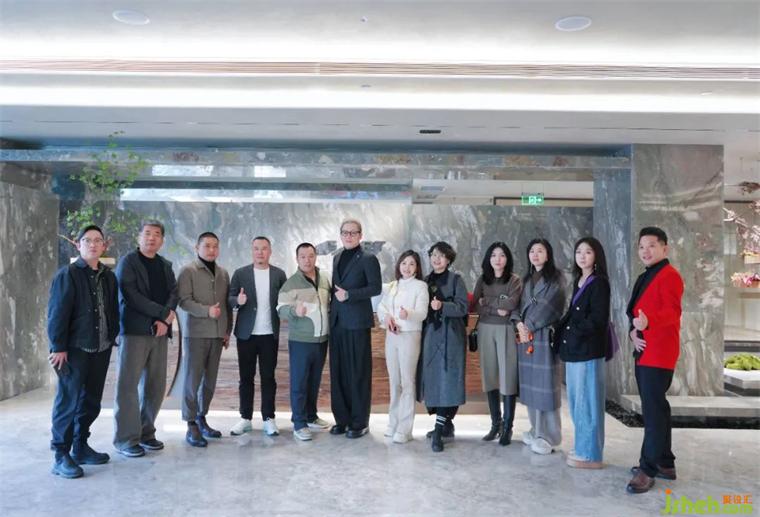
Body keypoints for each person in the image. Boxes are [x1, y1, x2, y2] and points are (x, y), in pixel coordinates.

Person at [47, 225, 120, 478]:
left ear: (104, 246)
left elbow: (113, 309)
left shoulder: (108, 277)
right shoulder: (67, 275)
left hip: (101, 347)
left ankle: (80, 446)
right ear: (78, 245)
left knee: (91, 401)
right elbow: (57, 313)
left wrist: (113, 335)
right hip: (74, 349)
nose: (93, 244)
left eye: (98, 240)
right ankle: (61, 455)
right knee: (68, 402)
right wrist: (58, 347)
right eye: (87, 240)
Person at [625, 227, 684, 494]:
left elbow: (672, 312)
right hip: (646, 350)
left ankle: (647, 470)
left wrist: (648, 322)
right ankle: (665, 463)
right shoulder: (647, 275)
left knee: (653, 412)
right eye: (641, 246)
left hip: (659, 353)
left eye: (651, 245)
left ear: (664, 248)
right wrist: (634, 331)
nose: (645, 251)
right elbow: (636, 313)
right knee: (658, 409)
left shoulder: (670, 275)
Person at [113, 220, 178, 458]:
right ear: (139, 237)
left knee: (155, 386)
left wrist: (164, 321)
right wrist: (162, 314)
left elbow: (174, 293)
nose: (151, 238)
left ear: (162, 240)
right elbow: (131, 295)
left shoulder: (165, 265)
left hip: (159, 332)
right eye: (147, 233)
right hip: (134, 331)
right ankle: (125, 439)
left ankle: (146, 432)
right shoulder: (128, 262)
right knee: (128, 386)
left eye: (157, 234)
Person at [556, 237, 610, 469]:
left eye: (588, 252)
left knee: (588, 403)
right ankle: (582, 446)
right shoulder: (580, 280)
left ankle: (591, 455)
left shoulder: (599, 283)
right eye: (579, 251)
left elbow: (598, 320)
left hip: (588, 350)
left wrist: (573, 331)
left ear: (596, 255)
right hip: (575, 349)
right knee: (577, 403)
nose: (582, 256)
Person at [177, 232, 232, 447]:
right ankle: (190, 423)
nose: (211, 250)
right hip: (196, 334)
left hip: (217, 335)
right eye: (207, 245)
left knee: (209, 382)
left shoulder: (223, 273)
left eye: (215, 246)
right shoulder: (188, 271)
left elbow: (226, 305)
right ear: (197, 247)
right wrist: (206, 311)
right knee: (192, 381)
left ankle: (201, 418)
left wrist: (227, 330)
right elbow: (183, 301)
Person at [228, 236, 287, 437]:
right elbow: (230, 299)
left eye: (264, 248)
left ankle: (269, 419)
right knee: (246, 378)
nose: (260, 252)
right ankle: (245, 418)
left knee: (268, 378)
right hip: (246, 335)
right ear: (252, 251)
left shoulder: (279, 274)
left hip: (269, 334)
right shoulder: (240, 273)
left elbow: (285, 299)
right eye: (256, 248)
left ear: (270, 251)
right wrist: (238, 301)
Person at [328, 219, 382, 439]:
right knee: (338, 373)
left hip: (357, 323)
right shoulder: (336, 257)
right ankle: (342, 420)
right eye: (345, 232)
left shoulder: (368, 258)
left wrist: (350, 295)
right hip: (337, 323)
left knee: (358, 372)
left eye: (353, 233)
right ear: (340, 235)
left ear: (360, 235)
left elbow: (375, 288)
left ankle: (359, 422)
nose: (348, 236)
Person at [511, 238, 565, 455]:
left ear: (548, 254)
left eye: (540, 251)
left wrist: (528, 326)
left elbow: (551, 306)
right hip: (525, 339)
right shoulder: (526, 280)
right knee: (531, 387)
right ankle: (536, 430)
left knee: (545, 387)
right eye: (532, 251)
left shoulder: (556, 280)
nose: (535, 255)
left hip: (543, 337)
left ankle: (550, 436)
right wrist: (518, 324)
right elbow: (516, 306)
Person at [276, 242, 332, 441]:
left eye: (310, 256)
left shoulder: (324, 278)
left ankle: (310, 416)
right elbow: (280, 309)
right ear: (297, 259)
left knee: (314, 381)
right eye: (303, 257)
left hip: (322, 339)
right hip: (301, 341)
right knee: (299, 382)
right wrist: (294, 311)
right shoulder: (291, 283)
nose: (307, 260)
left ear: (315, 257)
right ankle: (299, 423)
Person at [419, 241, 469, 453]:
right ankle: (446, 424)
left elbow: (463, 307)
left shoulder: (456, 280)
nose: (436, 259)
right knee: (434, 381)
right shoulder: (425, 281)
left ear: (448, 259)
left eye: (441, 256)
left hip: (451, 337)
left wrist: (443, 306)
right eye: (433, 255)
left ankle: (439, 431)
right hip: (431, 336)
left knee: (448, 381)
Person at [472, 242, 522, 446]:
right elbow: (476, 304)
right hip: (485, 329)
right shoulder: (483, 279)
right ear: (488, 259)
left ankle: (507, 428)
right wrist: (497, 307)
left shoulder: (514, 280)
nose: (497, 259)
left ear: (507, 259)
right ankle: (496, 425)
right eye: (493, 255)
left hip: (506, 330)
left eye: (502, 255)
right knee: (489, 377)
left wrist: (488, 303)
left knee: (508, 376)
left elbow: (511, 304)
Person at [376, 250, 429, 444]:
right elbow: (382, 307)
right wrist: (387, 318)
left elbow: (422, 313)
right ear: (399, 265)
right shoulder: (393, 285)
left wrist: (408, 314)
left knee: (407, 382)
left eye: (412, 264)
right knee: (394, 381)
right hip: (392, 335)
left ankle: (405, 429)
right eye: (404, 263)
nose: (407, 267)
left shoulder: (420, 286)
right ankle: (393, 423)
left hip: (409, 335)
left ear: (417, 268)